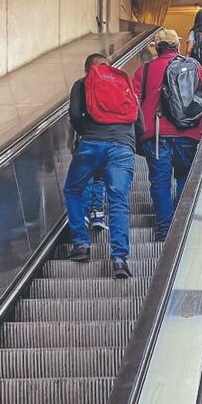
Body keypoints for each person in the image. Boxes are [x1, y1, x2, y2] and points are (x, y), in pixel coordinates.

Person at [134, 28, 202, 241]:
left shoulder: (144, 71)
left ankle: (164, 230)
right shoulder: (192, 66)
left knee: (160, 183)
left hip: (156, 135)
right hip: (188, 133)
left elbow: (133, 101)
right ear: (176, 46)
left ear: (157, 49)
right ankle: (180, 227)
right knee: (185, 177)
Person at [62, 52, 143, 278]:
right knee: (118, 201)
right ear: (110, 66)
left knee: (73, 190)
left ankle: (82, 244)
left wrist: (87, 133)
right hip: (122, 147)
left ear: (87, 69)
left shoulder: (82, 83)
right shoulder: (123, 83)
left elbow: (75, 114)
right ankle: (119, 259)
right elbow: (140, 123)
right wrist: (129, 142)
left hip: (91, 144)